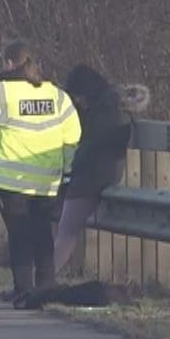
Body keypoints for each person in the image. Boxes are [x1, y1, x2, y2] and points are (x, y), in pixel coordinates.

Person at [0, 39, 82, 306]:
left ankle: (24, 290)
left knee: (20, 236)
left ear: (9, 64)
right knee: (42, 235)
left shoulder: (1, 93)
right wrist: (67, 171)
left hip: (10, 182)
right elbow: (72, 135)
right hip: (47, 181)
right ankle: (47, 288)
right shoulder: (56, 95)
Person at [53, 64, 134, 274]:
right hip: (100, 172)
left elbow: (92, 146)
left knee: (67, 230)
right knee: (65, 229)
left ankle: (44, 278)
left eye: (78, 96)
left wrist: (72, 165)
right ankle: (42, 277)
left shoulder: (104, 111)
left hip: (94, 176)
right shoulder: (108, 106)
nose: (77, 101)